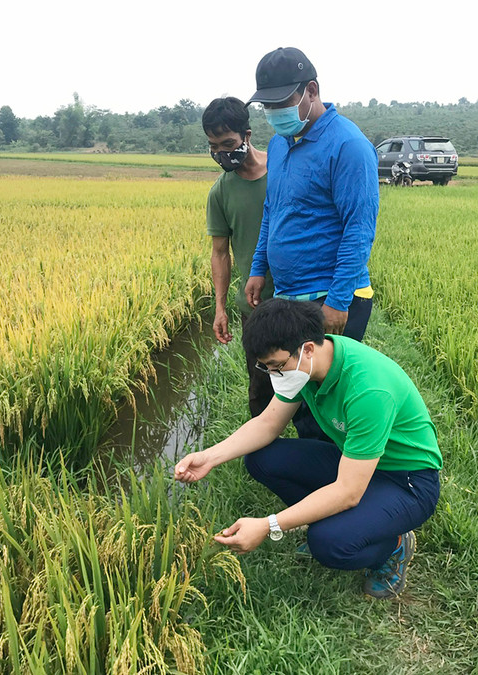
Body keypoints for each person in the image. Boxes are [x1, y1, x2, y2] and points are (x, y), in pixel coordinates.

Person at [174, 299, 441, 599]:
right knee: (263, 459)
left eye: (276, 366)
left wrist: (269, 525)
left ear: (308, 350)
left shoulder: (367, 390)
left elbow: (348, 492)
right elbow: (267, 425)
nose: (274, 375)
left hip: (406, 481)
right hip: (356, 461)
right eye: (267, 368)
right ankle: (337, 519)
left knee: (328, 544)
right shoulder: (305, 363)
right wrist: (209, 457)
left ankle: (393, 546)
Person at [244, 47, 378, 343]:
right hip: (288, 294)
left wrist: (338, 302)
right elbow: (272, 209)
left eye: (281, 102)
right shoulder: (280, 144)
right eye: (266, 104)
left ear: (312, 91)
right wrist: (258, 268)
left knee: (325, 388)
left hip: (331, 295)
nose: (273, 112)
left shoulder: (348, 145)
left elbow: (359, 228)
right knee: (296, 386)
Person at [203, 97, 275, 418]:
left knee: (310, 388)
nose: (221, 153)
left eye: (228, 143)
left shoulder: (282, 171)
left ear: (246, 135)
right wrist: (220, 307)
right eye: (213, 146)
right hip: (254, 308)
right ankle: (266, 461)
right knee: (261, 389)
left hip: (299, 299)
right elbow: (220, 253)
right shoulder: (220, 192)